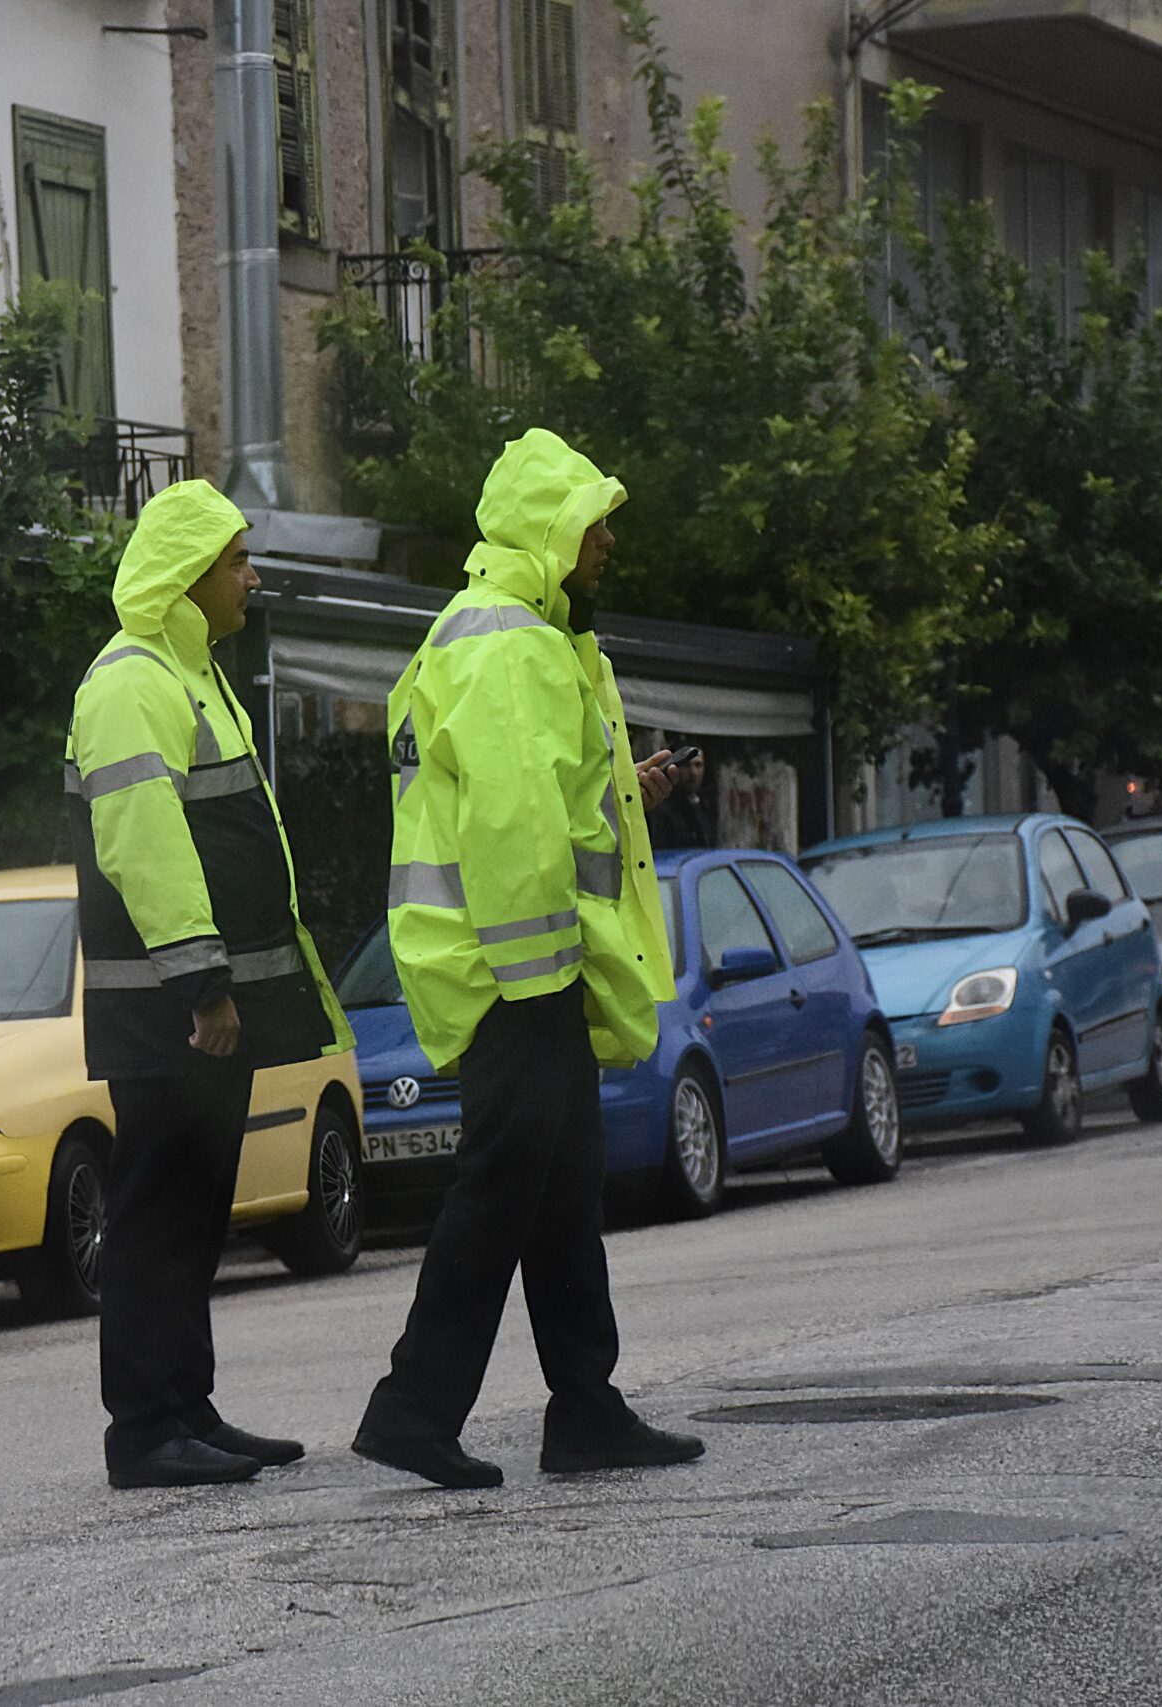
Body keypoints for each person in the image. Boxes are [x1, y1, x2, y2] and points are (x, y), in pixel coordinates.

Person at [355, 428, 706, 1489]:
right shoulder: (511, 644)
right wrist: (543, 975)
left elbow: (538, 802)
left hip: (514, 965)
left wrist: (623, 793)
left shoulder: (499, 634)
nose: (607, 545)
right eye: (595, 526)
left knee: (556, 1185)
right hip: (519, 969)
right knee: (510, 1181)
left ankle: (584, 1409)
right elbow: (511, 830)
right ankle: (413, 1407)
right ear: (552, 532)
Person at [65, 479, 354, 1490]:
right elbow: (146, 849)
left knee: (191, 1210)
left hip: (188, 1006)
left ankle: (185, 1407)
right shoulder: (132, 682)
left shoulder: (190, 676)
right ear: (192, 575)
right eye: (237, 559)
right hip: (166, 1010)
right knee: (156, 1213)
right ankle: (144, 1430)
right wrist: (200, 985)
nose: (252, 575)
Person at [648, 745, 718, 849]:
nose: (693, 772)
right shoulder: (660, 807)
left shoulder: (705, 805)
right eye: (686, 765)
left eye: (698, 765)